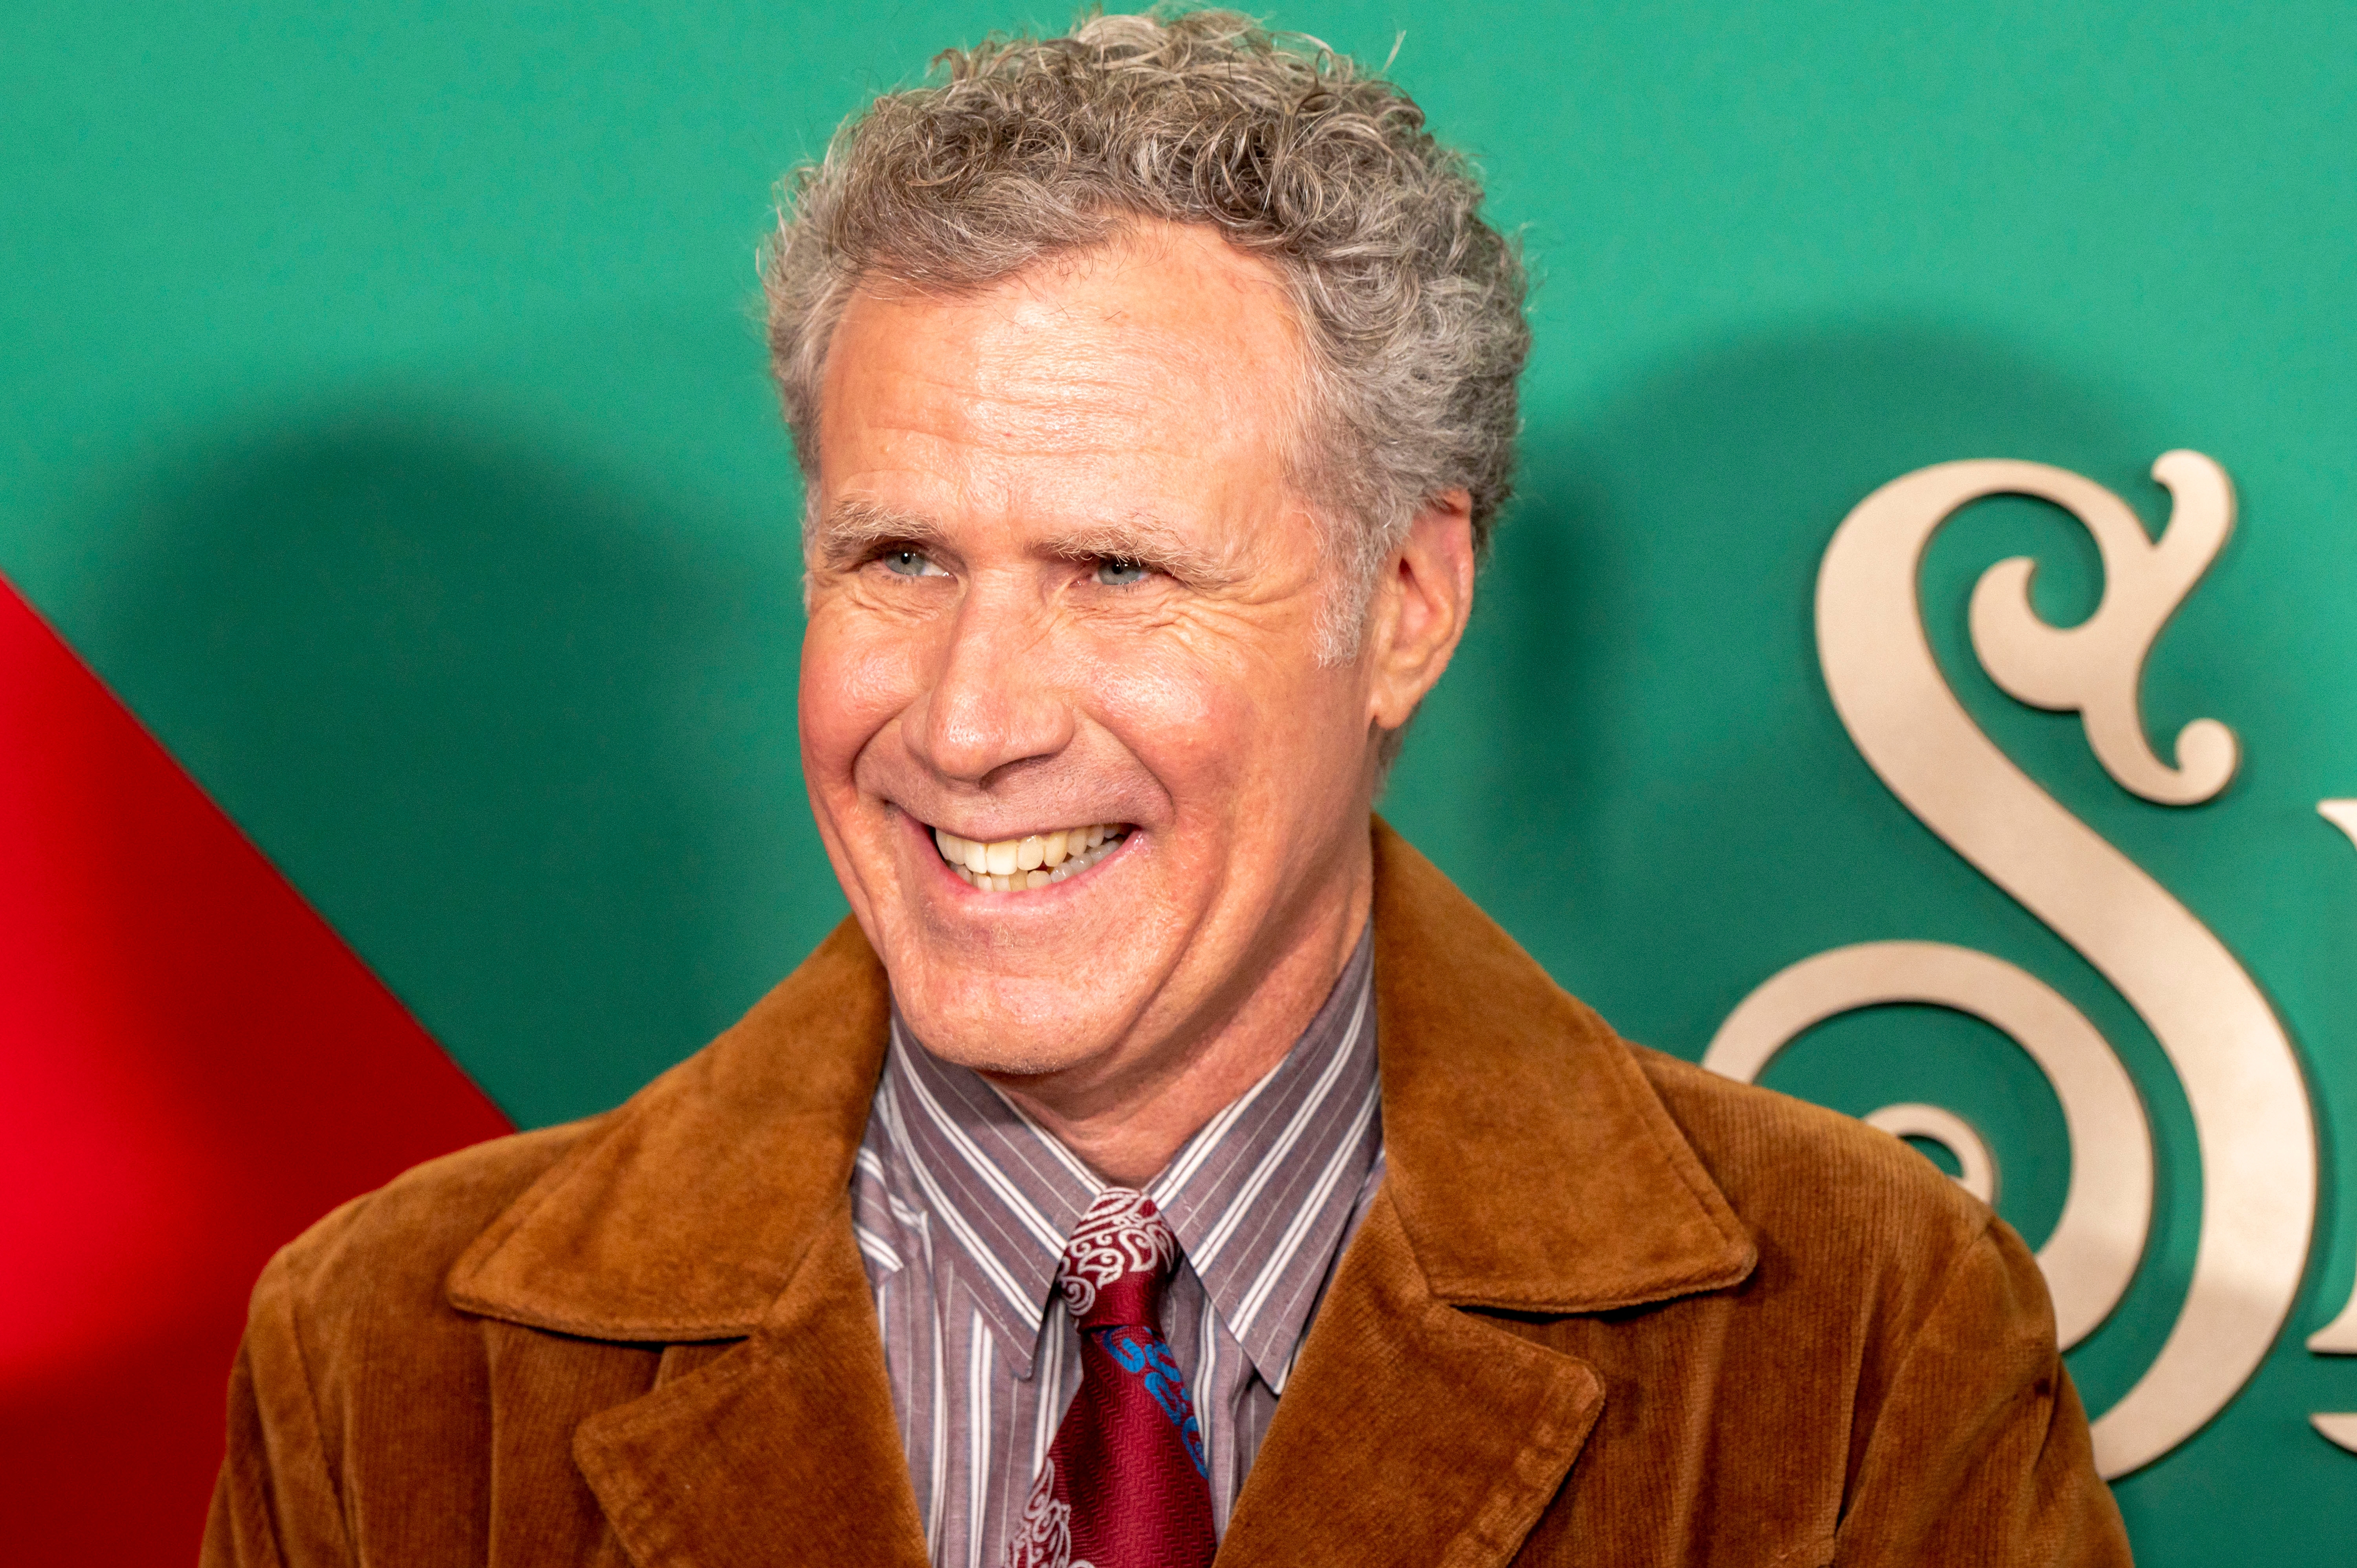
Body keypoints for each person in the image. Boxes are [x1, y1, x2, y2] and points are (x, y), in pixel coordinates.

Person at [203, 11, 2131, 1566]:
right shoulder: (397, 1366)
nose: (967, 723)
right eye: (898, 559)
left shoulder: (1864, 1340)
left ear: (1405, 601)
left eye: (1116, 571)